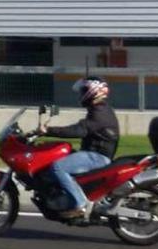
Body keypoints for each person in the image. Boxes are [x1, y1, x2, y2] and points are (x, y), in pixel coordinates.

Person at [39, 76, 119, 219]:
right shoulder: (100, 109)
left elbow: (79, 130)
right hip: (94, 154)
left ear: (94, 91)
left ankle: (80, 204)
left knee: (58, 167)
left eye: (84, 90)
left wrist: (49, 131)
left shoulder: (100, 112)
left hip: (97, 157)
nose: (81, 94)